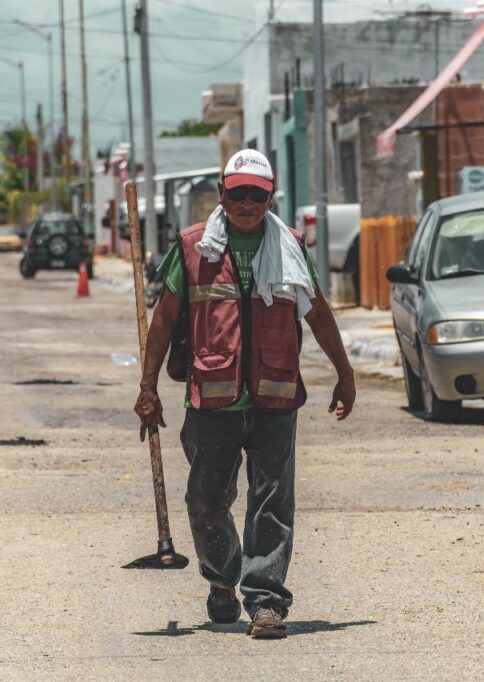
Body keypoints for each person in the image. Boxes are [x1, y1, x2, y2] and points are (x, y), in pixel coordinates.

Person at [134, 149, 356, 639]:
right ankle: (221, 579)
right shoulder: (194, 248)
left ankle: (265, 601)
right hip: (212, 399)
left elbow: (317, 313)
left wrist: (345, 373)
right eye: (239, 193)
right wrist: (147, 388)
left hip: (276, 396)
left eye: (258, 193)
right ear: (223, 195)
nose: (248, 202)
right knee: (207, 500)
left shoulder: (291, 246)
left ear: (270, 196)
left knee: (272, 501)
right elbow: (165, 318)